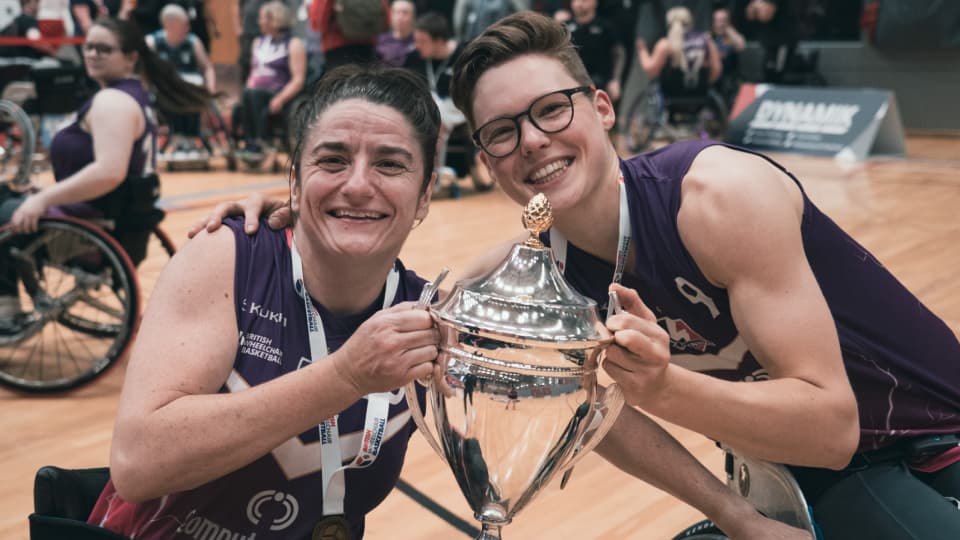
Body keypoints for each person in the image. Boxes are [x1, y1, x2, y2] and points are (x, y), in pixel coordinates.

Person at [203, 10, 960, 540]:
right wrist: (300, 214)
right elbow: (586, 407)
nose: (532, 142)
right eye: (503, 132)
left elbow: (832, 428)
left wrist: (663, 387)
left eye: (551, 111)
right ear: (488, 161)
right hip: (796, 470)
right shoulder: (541, 264)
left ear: (601, 107)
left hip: (927, 440)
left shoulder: (716, 197)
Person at [83, 64, 442, 539]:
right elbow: (138, 462)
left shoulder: (429, 314)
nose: (357, 184)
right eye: (332, 160)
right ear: (295, 181)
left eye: (390, 164)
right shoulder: (229, 256)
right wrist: (346, 376)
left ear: (425, 194)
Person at [1, 16, 211, 330]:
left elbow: (108, 173)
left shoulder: (113, 102)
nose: (92, 54)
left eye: (104, 49)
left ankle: (5, 310)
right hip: (111, 217)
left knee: (4, 210)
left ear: (131, 57)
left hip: (89, 229)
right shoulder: (132, 95)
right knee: (7, 194)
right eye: (89, 47)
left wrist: (43, 200)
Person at [402, 11, 465, 196]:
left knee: (436, 121)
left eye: (422, 41)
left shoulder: (463, 55)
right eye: (416, 40)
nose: (417, 45)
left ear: (439, 41)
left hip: (457, 107)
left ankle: (432, 179)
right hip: (426, 107)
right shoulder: (414, 57)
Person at [145, 3, 216, 160]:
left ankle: (190, 138)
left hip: (191, 87)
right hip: (165, 90)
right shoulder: (152, 42)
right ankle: (178, 137)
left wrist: (210, 88)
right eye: (184, 25)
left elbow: (208, 68)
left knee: (191, 93)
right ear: (170, 25)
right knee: (173, 92)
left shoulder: (193, 41)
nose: (188, 28)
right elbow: (144, 70)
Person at [236, 0, 306, 160]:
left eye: (262, 18)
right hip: (256, 93)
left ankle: (260, 142)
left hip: (279, 93)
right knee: (247, 95)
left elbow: (298, 80)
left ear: (274, 19)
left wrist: (280, 99)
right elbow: (253, 74)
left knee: (253, 95)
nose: (259, 22)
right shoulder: (258, 42)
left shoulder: (293, 44)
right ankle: (250, 142)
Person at [636, 6, 721, 95]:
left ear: (668, 24)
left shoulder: (665, 45)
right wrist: (704, 82)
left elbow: (651, 70)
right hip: (699, 94)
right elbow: (716, 70)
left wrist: (642, 50)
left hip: (670, 95)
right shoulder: (707, 42)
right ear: (691, 23)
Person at [565, 0, 624, 104]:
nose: (579, 3)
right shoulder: (565, 28)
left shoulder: (606, 27)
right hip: (575, 84)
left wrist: (615, 80)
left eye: (584, 0)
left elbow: (619, 54)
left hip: (602, 83)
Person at [308, 0, 390, 70]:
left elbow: (318, 22)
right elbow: (386, 22)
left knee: (341, 82)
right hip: (368, 47)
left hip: (337, 49)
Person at [710, 5, 745, 105]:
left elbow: (741, 46)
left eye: (723, 20)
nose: (720, 24)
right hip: (713, 79)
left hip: (730, 78)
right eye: (717, 20)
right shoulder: (709, 37)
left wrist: (728, 29)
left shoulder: (732, 38)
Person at [376, 0, 416, 67]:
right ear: (391, 15)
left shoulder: (419, 41)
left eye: (405, 13)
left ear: (413, 16)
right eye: (397, 12)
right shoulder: (381, 40)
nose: (400, 17)